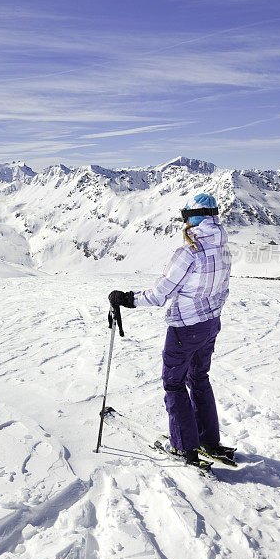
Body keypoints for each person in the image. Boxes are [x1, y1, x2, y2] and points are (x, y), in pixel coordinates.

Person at [108, 192, 232, 465]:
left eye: (185, 216)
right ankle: (208, 440)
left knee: (174, 384)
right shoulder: (223, 247)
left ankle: (183, 446)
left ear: (191, 219)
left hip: (185, 329)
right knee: (199, 378)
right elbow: (223, 289)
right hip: (210, 324)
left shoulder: (190, 252)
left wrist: (127, 299)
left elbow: (159, 294)